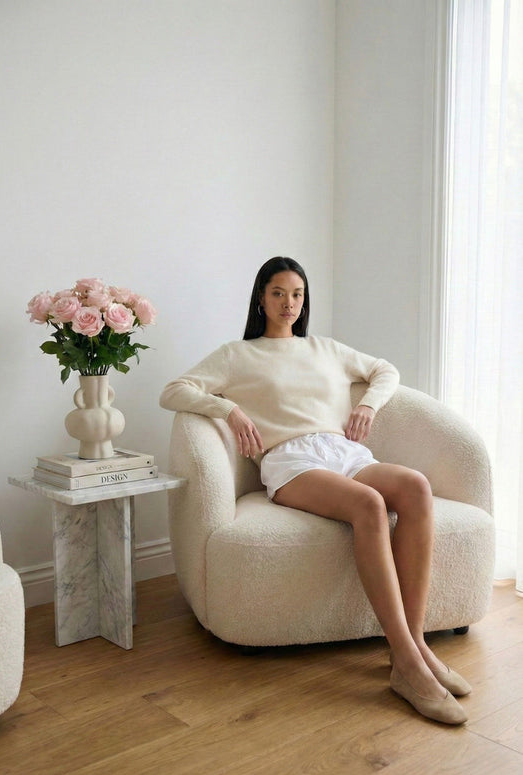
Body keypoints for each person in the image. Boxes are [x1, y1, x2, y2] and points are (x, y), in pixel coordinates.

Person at [160, 256, 471, 725]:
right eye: (278, 293)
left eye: (297, 294)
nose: (289, 303)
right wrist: (228, 410)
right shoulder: (237, 355)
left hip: (341, 451)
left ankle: (417, 645)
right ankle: (406, 661)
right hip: (291, 461)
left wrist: (367, 405)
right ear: (261, 298)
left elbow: (384, 370)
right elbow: (173, 391)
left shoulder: (325, 348)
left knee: (415, 488)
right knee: (368, 505)